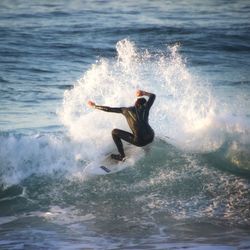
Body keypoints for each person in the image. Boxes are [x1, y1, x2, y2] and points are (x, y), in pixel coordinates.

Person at [87, 90, 156, 161]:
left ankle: (122, 156)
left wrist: (94, 106)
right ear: (144, 104)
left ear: (135, 104)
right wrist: (144, 93)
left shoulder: (125, 110)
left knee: (114, 132)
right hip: (151, 136)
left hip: (140, 142)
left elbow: (109, 109)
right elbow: (153, 96)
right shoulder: (146, 107)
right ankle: (147, 147)